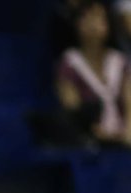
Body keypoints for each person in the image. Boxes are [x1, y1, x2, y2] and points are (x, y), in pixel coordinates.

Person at [56, 1, 131, 147]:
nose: (94, 24)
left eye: (100, 18)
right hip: (90, 146)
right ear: (76, 23)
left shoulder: (119, 61)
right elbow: (73, 111)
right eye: (87, 18)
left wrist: (127, 133)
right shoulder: (69, 64)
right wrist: (98, 134)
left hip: (125, 142)